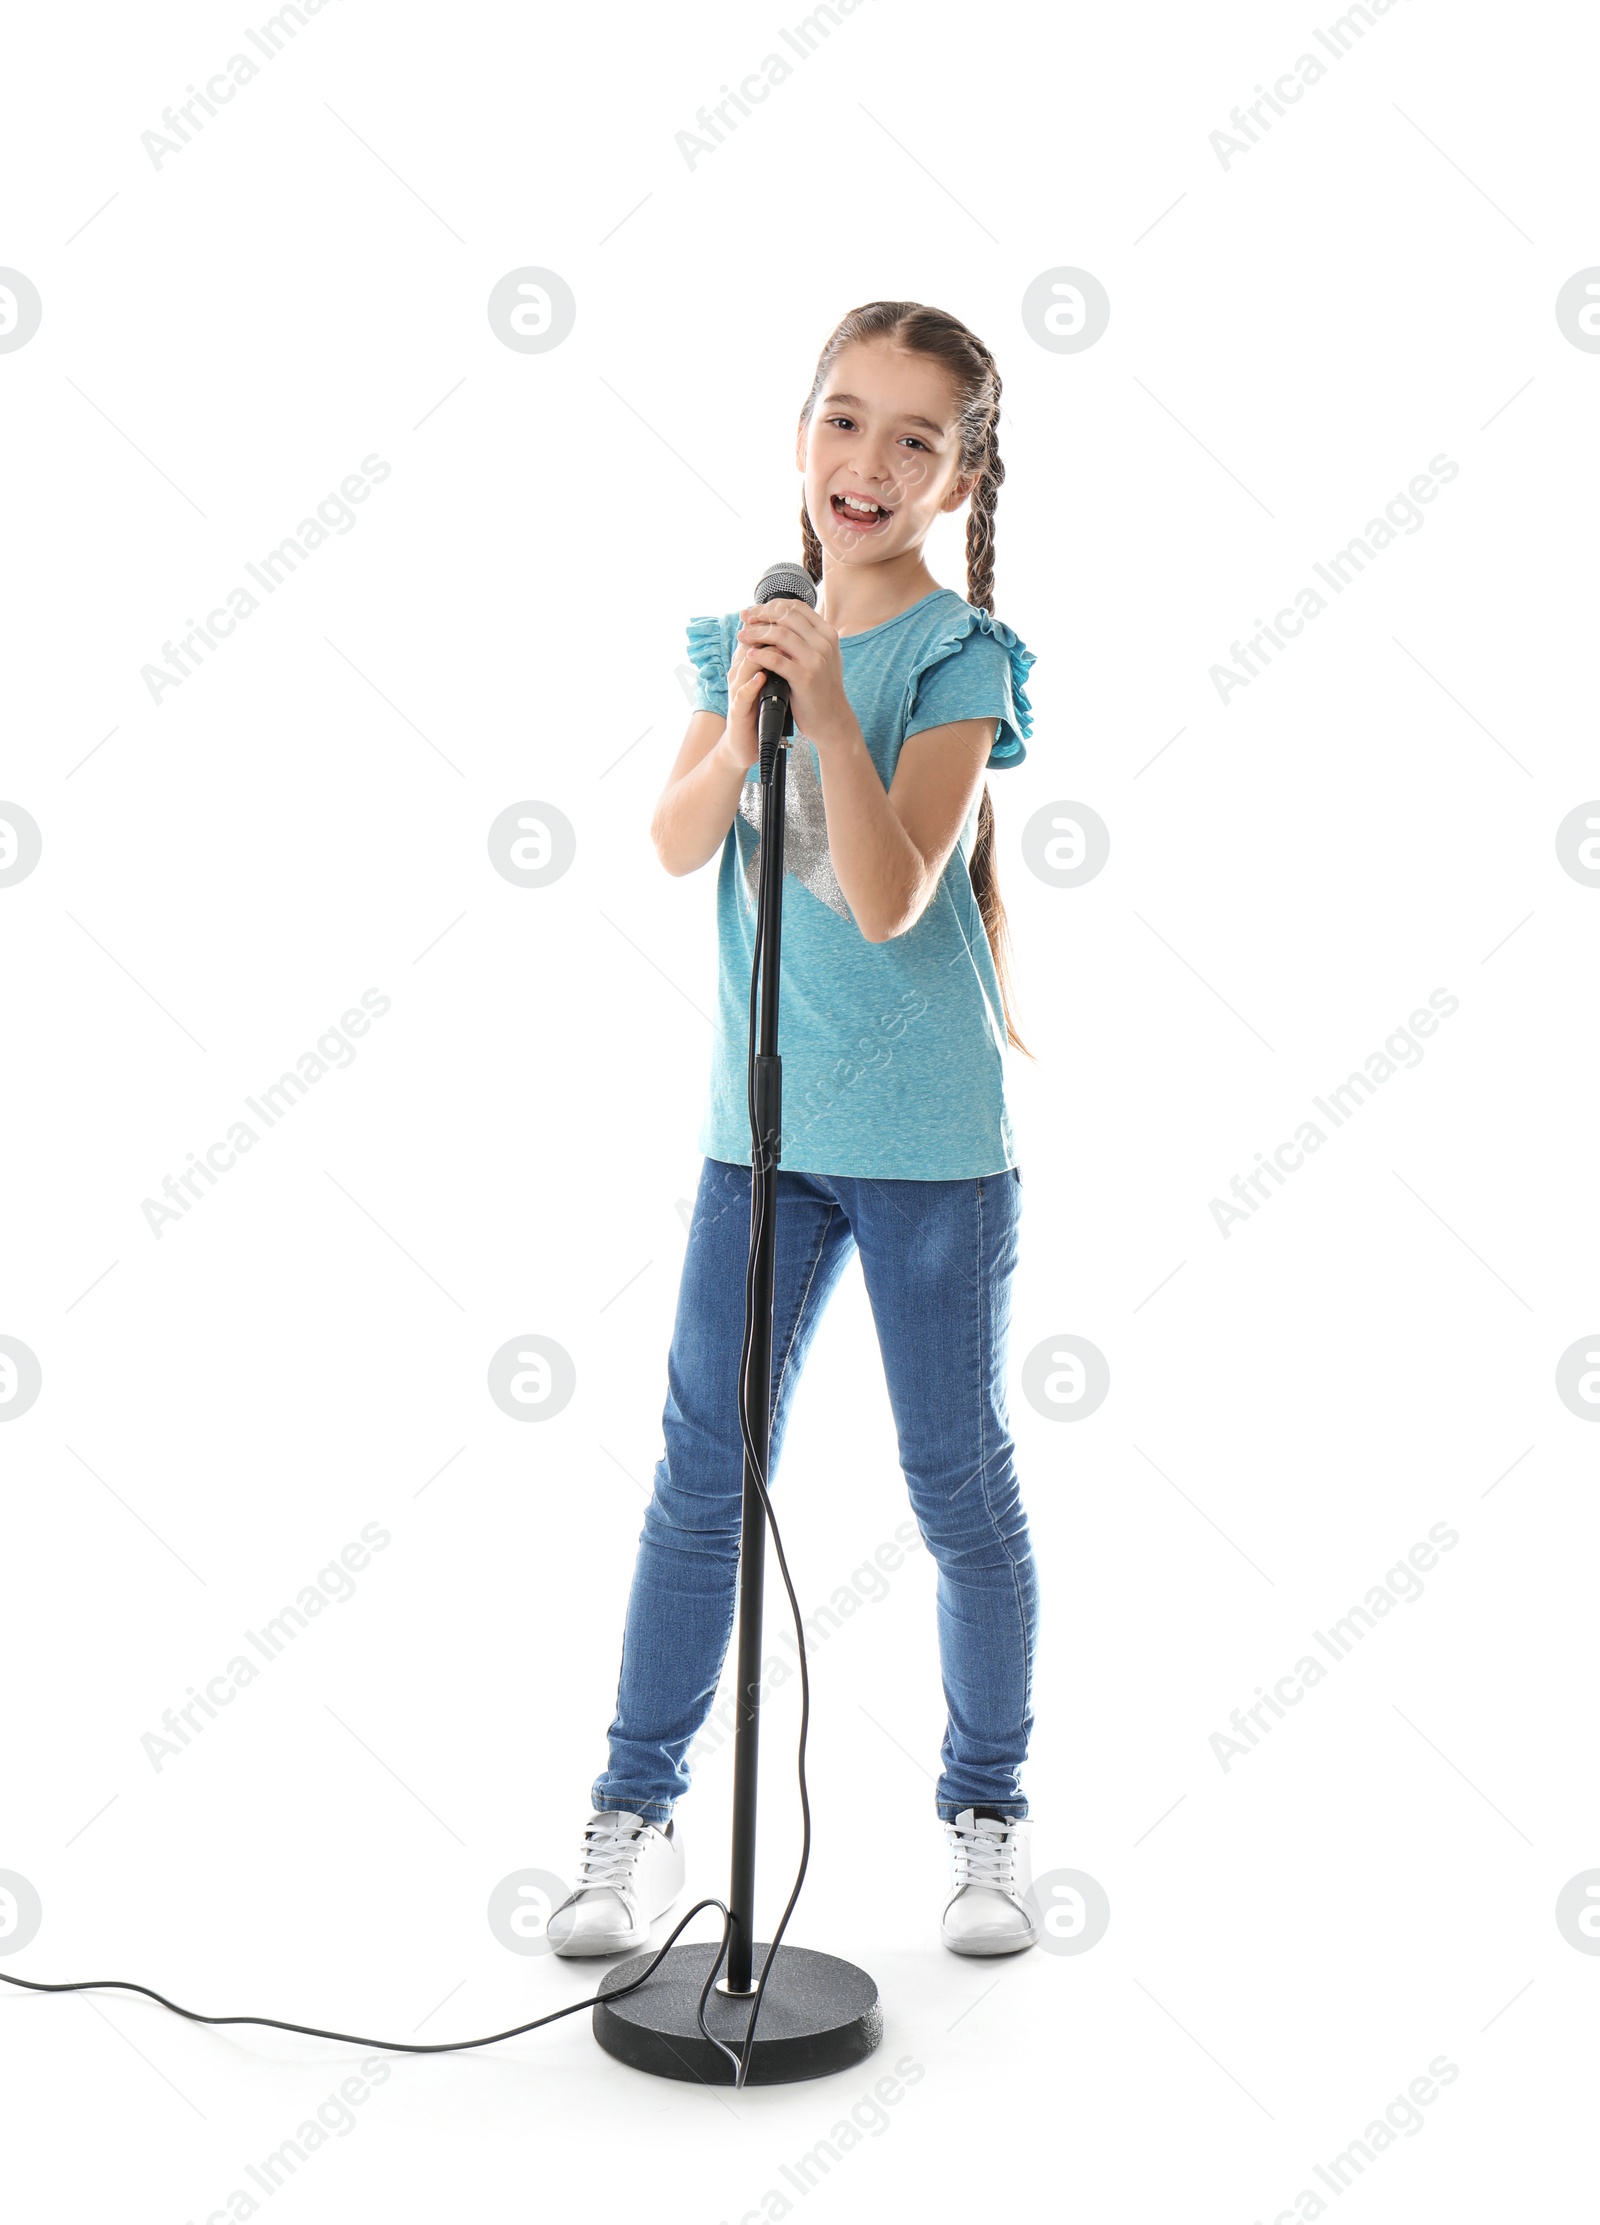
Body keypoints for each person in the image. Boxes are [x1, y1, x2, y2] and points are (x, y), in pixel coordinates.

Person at [548, 301, 1042, 1963]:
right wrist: (764, 685)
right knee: (704, 1472)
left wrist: (830, 704)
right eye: (845, 421)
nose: (870, 463)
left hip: (925, 1145)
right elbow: (683, 840)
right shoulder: (751, 631)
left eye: (916, 438)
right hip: (754, 1137)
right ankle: (631, 1807)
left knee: (951, 1476)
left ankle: (988, 1813)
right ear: (802, 437)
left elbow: (900, 894)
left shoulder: (960, 660)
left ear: (961, 479)